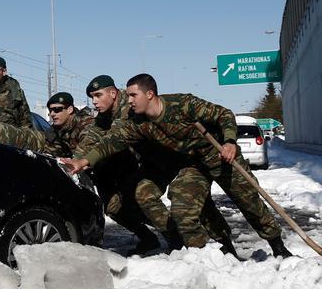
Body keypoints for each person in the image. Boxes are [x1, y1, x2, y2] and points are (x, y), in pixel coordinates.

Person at [62, 73, 291, 258]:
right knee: (186, 205)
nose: (129, 100)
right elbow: (110, 142)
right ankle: (224, 248)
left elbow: (223, 115)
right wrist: (82, 161)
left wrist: (230, 141)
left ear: (149, 94)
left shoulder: (183, 104)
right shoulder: (136, 122)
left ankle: (277, 245)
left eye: (133, 95)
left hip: (220, 156)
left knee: (248, 200)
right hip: (192, 166)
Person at [80, 75, 236, 257]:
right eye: (92, 97)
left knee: (199, 205)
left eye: (98, 96)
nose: (94, 102)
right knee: (134, 198)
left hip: (181, 158)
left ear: (113, 93)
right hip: (156, 164)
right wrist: (78, 161)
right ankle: (175, 240)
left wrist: (228, 140)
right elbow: (93, 140)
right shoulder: (105, 117)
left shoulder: (134, 105)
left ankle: (224, 244)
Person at [0, 91, 91, 156]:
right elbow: (50, 152)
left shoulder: (85, 123)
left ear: (70, 109)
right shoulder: (54, 130)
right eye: (50, 110)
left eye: (57, 110)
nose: (52, 114)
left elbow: (85, 153)